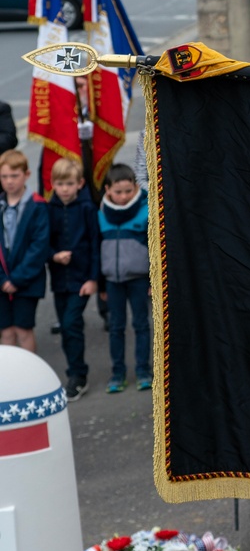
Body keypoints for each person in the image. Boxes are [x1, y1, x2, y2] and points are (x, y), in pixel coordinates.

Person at [47, 156, 99, 400]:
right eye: (60, 184)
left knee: (70, 324)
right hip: (59, 281)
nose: (64, 189)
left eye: (69, 183)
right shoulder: (48, 209)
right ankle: (74, 372)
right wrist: (54, 256)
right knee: (68, 329)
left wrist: (93, 279)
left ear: (79, 184)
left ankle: (78, 375)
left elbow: (96, 245)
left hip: (81, 280)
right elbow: (41, 243)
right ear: (52, 184)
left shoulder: (87, 208)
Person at [100, 162, 151, 393]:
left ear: (135, 187)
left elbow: (155, 250)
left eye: (128, 191)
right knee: (116, 327)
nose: (123, 196)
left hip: (139, 279)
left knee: (141, 325)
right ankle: (117, 373)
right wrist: (100, 282)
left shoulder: (146, 210)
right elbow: (95, 251)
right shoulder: (100, 214)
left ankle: (143, 371)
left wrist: (152, 281)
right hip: (112, 281)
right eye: (118, 192)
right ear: (108, 190)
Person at [0, 150, 48, 353]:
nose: (9, 181)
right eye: (4, 176)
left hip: (27, 280)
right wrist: (3, 280)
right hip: (1, 281)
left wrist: (17, 279)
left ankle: (30, 381)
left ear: (26, 175)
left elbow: (39, 246)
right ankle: (9, 380)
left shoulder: (37, 205)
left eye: (14, 176)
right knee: (6, 331)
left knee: (23, 330)